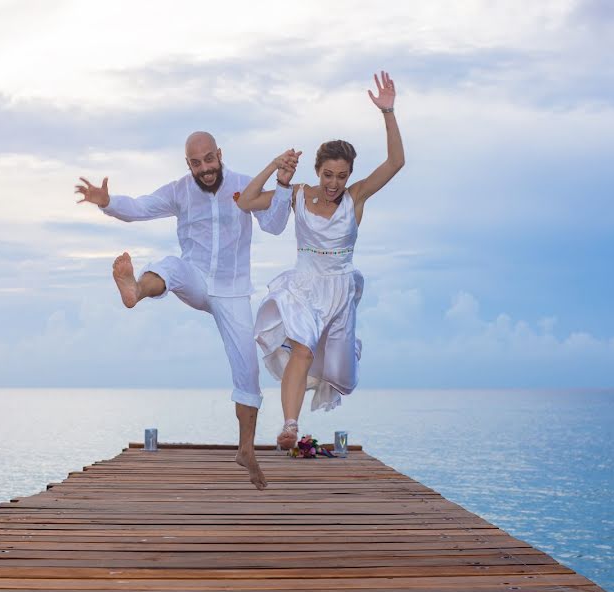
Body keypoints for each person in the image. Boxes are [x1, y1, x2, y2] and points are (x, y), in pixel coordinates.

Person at [75, 132, 299, 490]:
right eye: (196, 163)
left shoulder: (244, 185)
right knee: (171, 266)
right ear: (188, 164)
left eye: (210, 159)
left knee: (248, 369)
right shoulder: (179, 190)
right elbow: (141, 207)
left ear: (219, 154)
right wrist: (108, 202)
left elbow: (273, 225)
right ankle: (134, 290)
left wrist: (282, 184)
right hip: (195, 278)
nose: (205, 169)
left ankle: (246, 450)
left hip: (233, 290)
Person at [237, 71, 405, 449]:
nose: (333, 183)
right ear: (317, 171)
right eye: (327, 174)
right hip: (304, 284)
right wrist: (273, 167)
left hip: (340, 289)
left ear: (350, 176)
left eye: (341, 176)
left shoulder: (356, 198)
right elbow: (247, 201)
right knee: (302, 346)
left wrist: (388, 112)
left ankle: (344, 358)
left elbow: (396, 162)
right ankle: (290, 426)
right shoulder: (296, 194)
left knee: (341, 374)